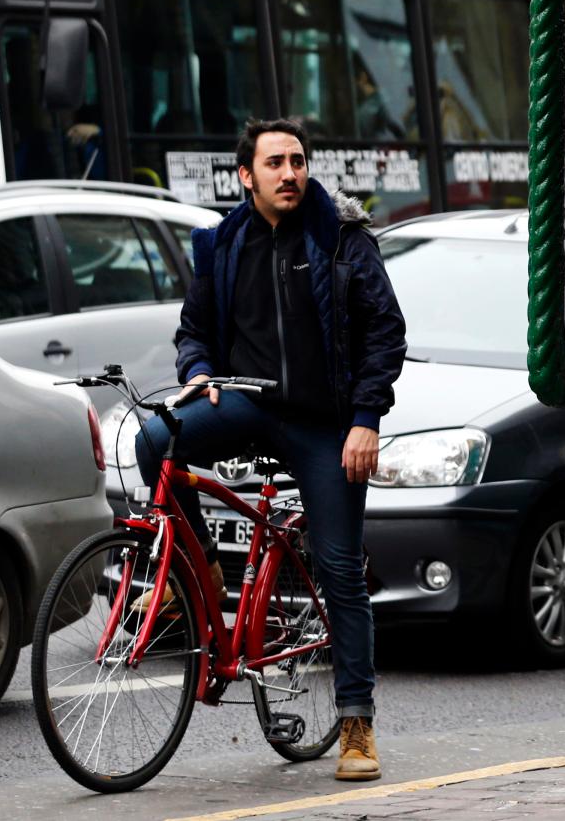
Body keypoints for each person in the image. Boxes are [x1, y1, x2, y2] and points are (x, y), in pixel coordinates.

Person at [135, 117, 406, 782]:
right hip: (246, 403)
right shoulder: (223, 242)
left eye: (299, 159)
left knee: (339, 568)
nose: (291, 172)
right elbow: (193, 329)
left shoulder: (341, 235)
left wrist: (365, 418)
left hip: (324, 421)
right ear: (245, 176)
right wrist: (198, 368)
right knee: (151, 439)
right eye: (276, 162)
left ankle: (357, 723)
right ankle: (201, 577)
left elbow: (385, 331)